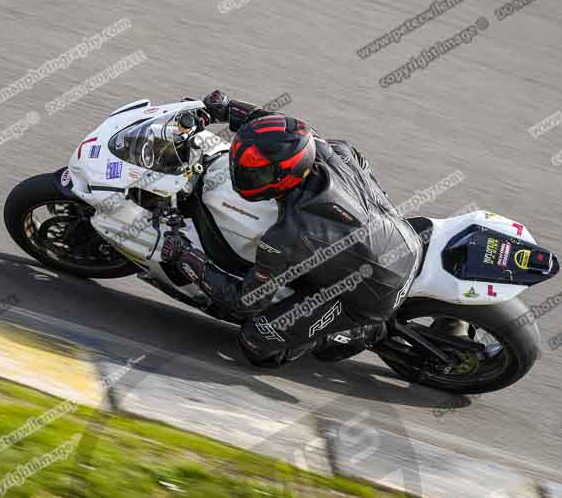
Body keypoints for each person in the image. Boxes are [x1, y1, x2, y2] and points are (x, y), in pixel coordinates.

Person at [160, 91, 423, 367]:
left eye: (257, 173)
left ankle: (359, 332)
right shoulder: (319, 148)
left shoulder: (287, 235)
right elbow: (274, 126)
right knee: (348, 157)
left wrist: (185, 256)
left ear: (284, 177)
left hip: (375, 297)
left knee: (255, 340)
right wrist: (225, 109)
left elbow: (245, 301)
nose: (243, 173)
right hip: (403, 236)